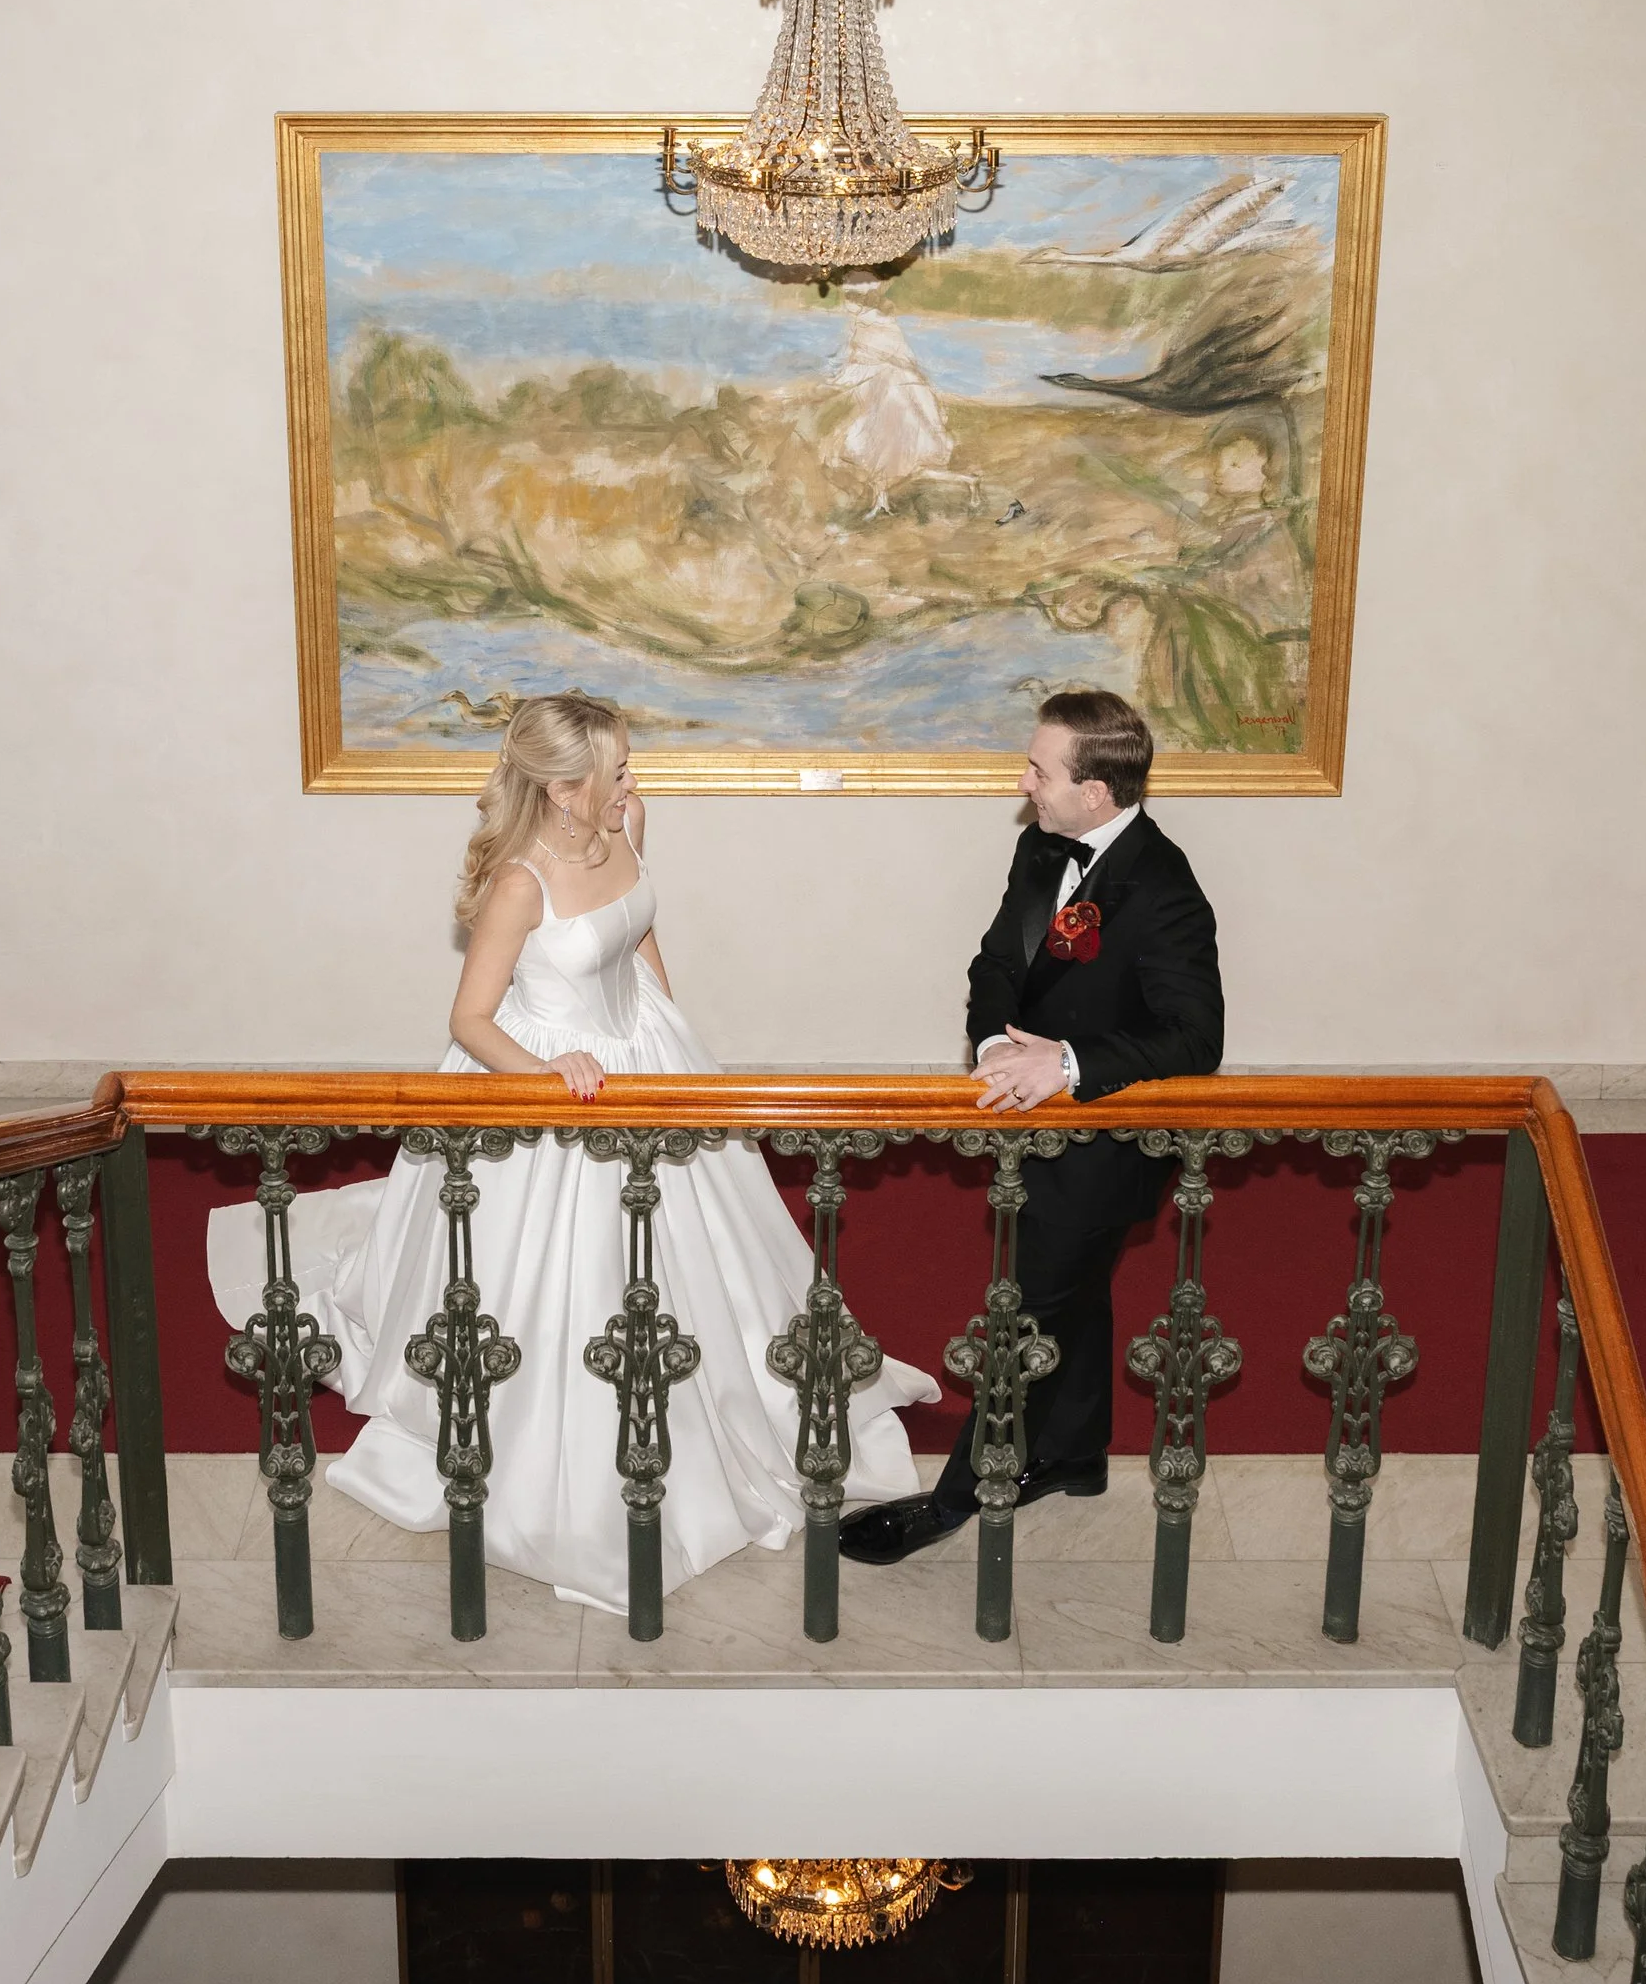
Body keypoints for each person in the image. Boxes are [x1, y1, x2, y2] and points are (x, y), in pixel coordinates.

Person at [205, 690, 936, 1617]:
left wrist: (680, 1057)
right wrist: (550, 1075)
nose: (634, 781)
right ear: (561, 789)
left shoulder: (622, 824)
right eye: (617, 770)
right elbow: (470, 1019)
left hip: (643, 1062)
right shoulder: (521, 882)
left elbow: (639, 936)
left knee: (714, 1268)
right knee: (570, 1278)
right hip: (552, 1075)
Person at [838, 685, 1225, 1567]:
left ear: (1096, 792)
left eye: (1038, 770)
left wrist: (1068, 1065)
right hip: (1034, 1132)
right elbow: (996, 964)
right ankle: (1074, 1454)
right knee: (1077, 1290)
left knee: (1030, 1310)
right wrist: (988, 1044)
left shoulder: (1164, 891)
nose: (1024, 783)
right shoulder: (1038, 848)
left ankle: (950, 1502)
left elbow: (1196, 1037)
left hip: (1107, 1144)